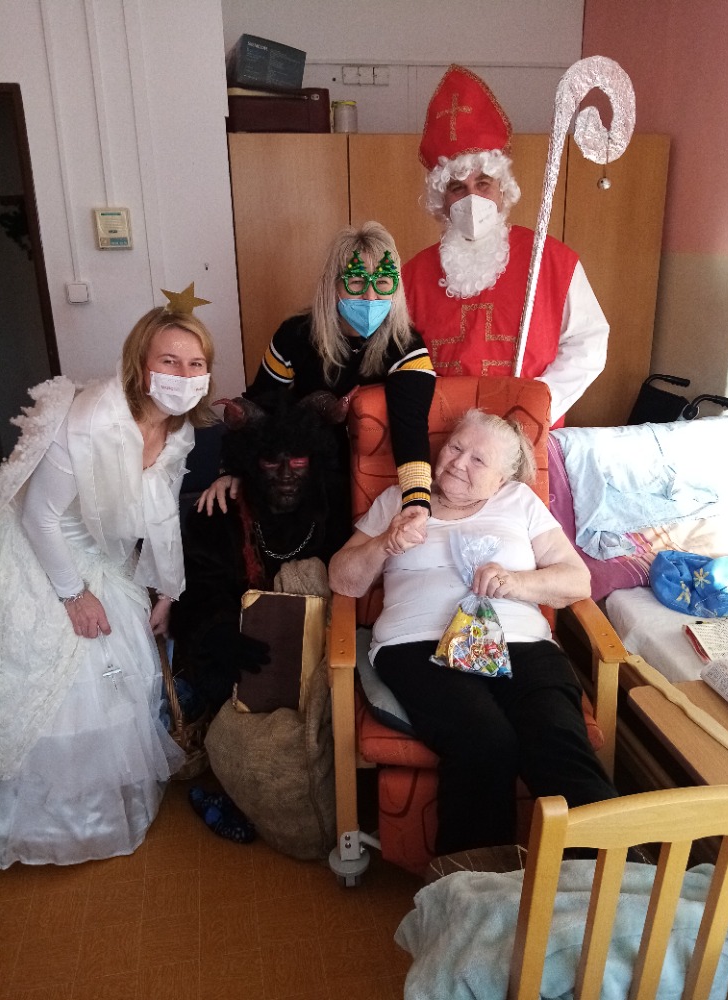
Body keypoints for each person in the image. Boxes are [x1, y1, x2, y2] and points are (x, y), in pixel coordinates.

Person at [329, 408, 618, 854]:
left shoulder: (520, 501)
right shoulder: (400, 500)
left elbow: (576, 580)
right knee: (484, 741)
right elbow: (343, 580)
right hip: (418, 646)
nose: (459, 462)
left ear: (503, 478)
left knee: (557, 740)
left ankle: (602, 878)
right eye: (455, 447)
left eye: (478, 460)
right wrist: (384, 544)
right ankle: (475, 887)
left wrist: (516, 582)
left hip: (522, 644)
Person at [0, 284, 215, 868]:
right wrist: (73, 596)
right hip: (45, 552)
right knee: (74, 682)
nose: (183, 375)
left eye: (195, 364)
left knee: (125, 672)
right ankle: (55, 824)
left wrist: (166, 589)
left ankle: (101, 806)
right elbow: (40, 517)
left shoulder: (177, 428)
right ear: (141, 365)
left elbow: (162, 514)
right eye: (169, 361)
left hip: (103, 556)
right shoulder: (91, 419)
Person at [403, 64, 609, 428]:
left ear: (503, 190)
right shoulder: (412, 276)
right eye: (457, 188)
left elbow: (588, 342)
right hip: (443, 434)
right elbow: (397, 359)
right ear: (442, 201)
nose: (472, 198)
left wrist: (537, 403)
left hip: (525, 431)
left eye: (483, 184)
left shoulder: (551, 261)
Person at [202, 220, 436, 535]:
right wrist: (230, 471)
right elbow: (259, 408)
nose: (370, 297)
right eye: (356, 282)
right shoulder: (294, 335)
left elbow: (412, 427)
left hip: (376, 479)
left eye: (383, 282)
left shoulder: (406, 346)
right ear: (332, 284)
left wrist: (417, 500)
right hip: (304, 479)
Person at [171, 394, 337, 714]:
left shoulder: (333, 507)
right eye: (272, 462)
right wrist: (219, 634)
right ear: (251, 463)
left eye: (298, 462)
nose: (286, 473)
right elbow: (194, 591)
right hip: (241, 654)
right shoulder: (218, 514)